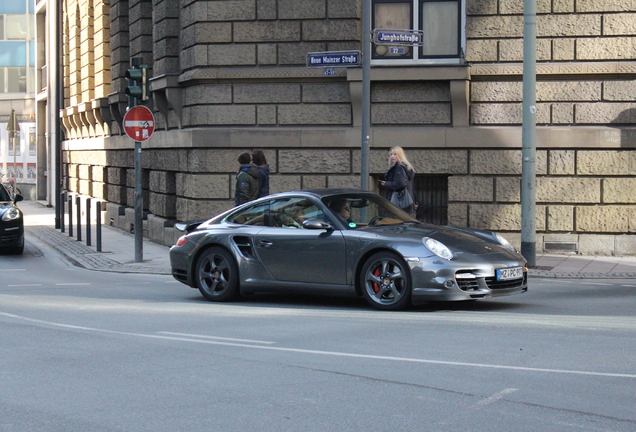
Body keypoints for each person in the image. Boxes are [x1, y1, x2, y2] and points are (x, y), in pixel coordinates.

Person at [379, 146, 416, 217]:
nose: (392, 156)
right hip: (408, 201)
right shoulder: (406, 167)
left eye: (395, 154)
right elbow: (411, 186)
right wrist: (415, 201)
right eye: (391, 154)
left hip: (398, 201)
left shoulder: (398, 167)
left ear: (400, 155)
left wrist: (386, 183)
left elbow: (400, 183)